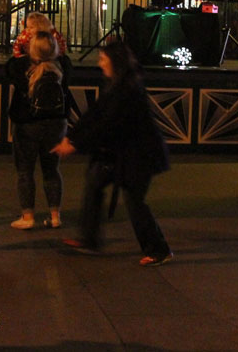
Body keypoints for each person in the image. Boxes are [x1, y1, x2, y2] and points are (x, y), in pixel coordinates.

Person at [53, 42, 172, 266]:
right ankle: (90, 240)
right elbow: (95, 113)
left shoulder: (128, 90)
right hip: (122, 152)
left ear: (115, 62)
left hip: (140, 155)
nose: (99, 64)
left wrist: (75, 145)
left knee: (135, 201)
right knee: (94, 182)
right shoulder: (116, 84)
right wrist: (72, 137)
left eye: (103, 60)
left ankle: (159, 249)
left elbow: (107, 125)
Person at [6, 30, 67, 230]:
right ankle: (55, 215)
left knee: (25, 170)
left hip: (28, 124)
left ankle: (28, 215)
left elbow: (8, 69)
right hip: (56, 125)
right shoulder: (62, 67)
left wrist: (18, 50)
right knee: (52, 170)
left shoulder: (22, 67)